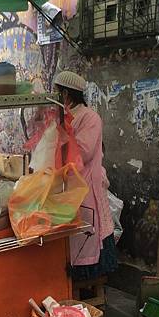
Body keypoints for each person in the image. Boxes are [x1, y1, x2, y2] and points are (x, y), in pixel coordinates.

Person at [53, 71, 117, 281]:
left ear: (67, 93)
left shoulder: (90, 117)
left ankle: (86, 280)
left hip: (85, 184)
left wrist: (65, 133)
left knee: (86, 233)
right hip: (65, 184)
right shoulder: (63, 114)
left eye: (59, 92)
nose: (57, 96)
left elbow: (83, 151)